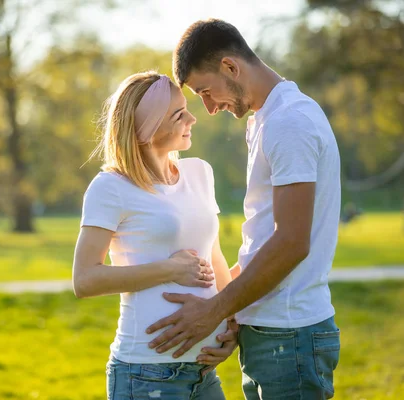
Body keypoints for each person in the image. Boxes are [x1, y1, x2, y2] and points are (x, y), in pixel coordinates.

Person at [145, 19, 342, 399]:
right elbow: (264, 241)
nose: (208, 107)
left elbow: (290, 243)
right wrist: (232, 315)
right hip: (272, 336)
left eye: (205, 91)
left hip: (289, 338)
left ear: (231, 67)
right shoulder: (268, 119)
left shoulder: (289, 122)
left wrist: (213, 311)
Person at [73, 71, 237, 399]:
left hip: (204, 370)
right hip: (146, 374)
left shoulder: (200, 172)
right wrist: (171, 269)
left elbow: (214, 256)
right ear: (147, 128)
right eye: (179, 114)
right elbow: (85, 279)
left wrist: (232, 323)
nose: (192, 118)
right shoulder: (111, 187)